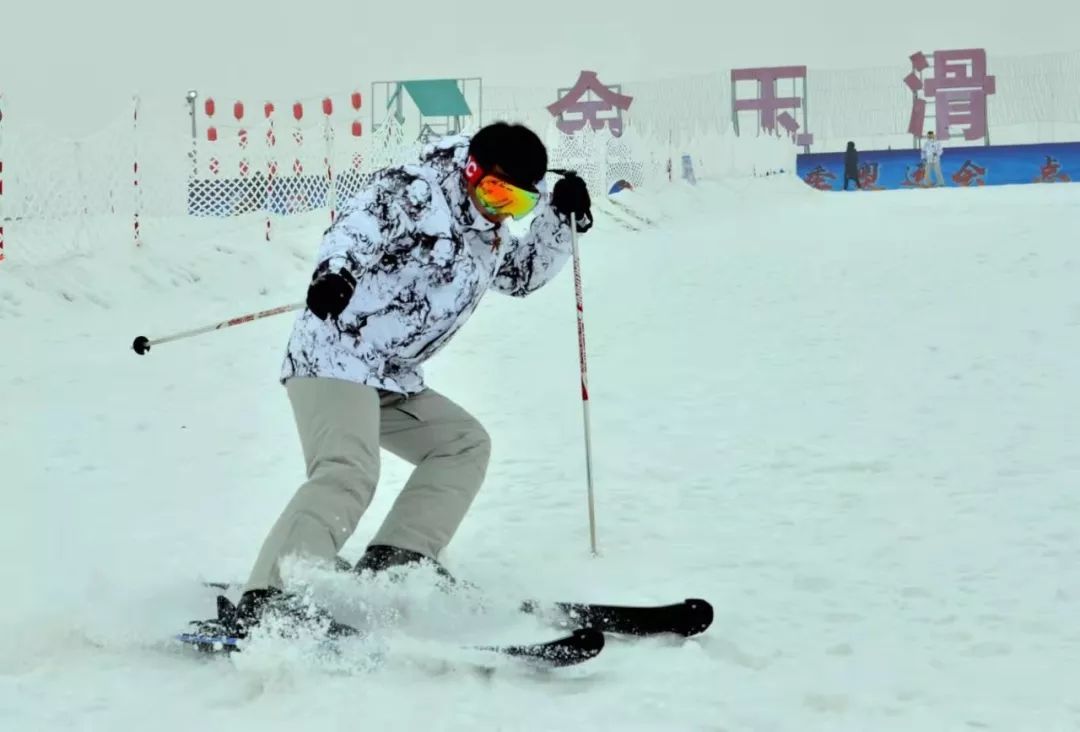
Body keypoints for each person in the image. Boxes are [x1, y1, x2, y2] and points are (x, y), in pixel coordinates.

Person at [208, 122, 593, 638]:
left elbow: (520, 276)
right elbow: (355, 229)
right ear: (472, 171)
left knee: (463, 444)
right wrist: (337, 273)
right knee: (348, 471)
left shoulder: (491, 227)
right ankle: (268, 601)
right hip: (335, 352)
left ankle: (397, 560)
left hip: (392, 375)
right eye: (496, 193)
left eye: (517, 204)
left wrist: (555, 221)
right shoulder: (416, 191)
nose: (501, 211)